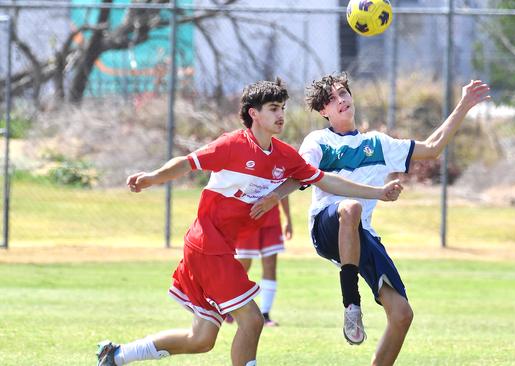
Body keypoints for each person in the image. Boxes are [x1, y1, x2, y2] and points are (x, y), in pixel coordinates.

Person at [95, 78, 403, 366]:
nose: (281, 114)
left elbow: (328, 181)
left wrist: (377, 192)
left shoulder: (284, 155)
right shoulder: (232, 145)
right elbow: (186, 163)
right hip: (207, 246)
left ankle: (117, 355)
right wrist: (152, 178)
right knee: (252, 320)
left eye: (282, 108)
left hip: (217, 249)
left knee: (200, 339)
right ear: (253, 113)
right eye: (273, 109)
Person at [250, 73, 490, 366]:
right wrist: (275, 196)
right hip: (326, 228)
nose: (341, 100)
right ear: (323, 111)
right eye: (332, 99)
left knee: (402, 315)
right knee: (350, 208)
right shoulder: (318, 140)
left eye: (344, 94)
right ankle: (351, 303)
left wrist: (463, 104)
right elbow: (302, 174)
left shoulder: (377, 143)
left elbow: (432, 147)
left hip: (361, 235)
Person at [229, 197, 292, 326]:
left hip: (271, 219)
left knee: (270, 266)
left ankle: (265, 314)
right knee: (241, 267)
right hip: (247, 218)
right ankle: (229, 307)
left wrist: (288, 218)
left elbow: (285, 188)